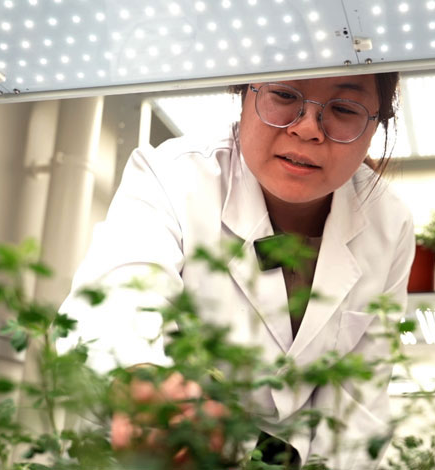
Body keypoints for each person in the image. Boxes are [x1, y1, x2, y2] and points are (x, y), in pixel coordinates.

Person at [59, 72, 415, 469]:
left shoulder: (389, 222)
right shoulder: (173, 175)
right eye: (284, 94)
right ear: (243, 92)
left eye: (345, 109)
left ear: (377, 123)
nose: (307, 129)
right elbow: (116, 300)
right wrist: (143, 384)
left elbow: (358, 406)